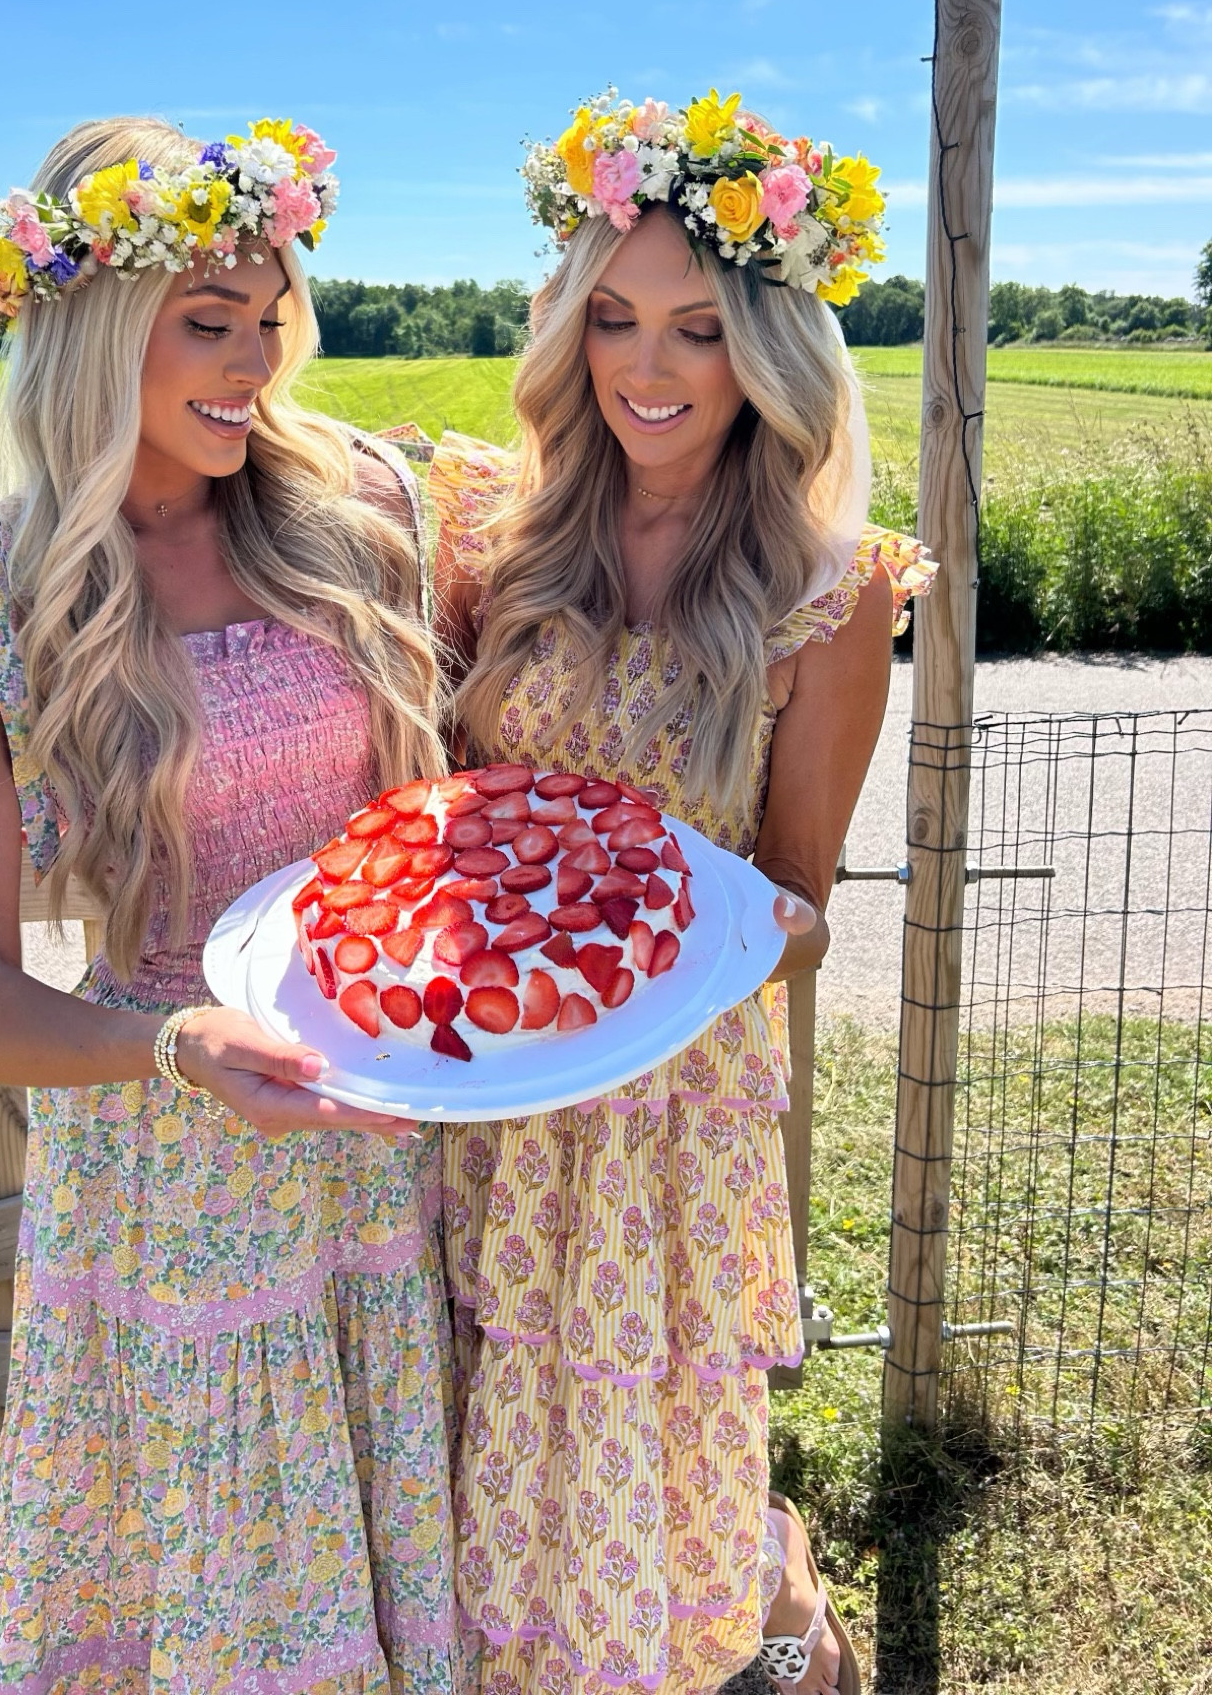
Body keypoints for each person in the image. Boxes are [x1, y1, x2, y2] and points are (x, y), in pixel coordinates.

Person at [0, 115, 462, 1695]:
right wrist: (180, 1049)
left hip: (367, 1107)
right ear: (86, 329)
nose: (254, 361)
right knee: (217, 1603)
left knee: (386, 1558)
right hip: (166, 1168)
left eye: (270, 314)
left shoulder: (359, 512)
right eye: (204, 322)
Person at [431, 89, 935, 1695]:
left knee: (661, 1448)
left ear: (770, 352)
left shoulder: (828, 595)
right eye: (616, 321)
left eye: (701, 331)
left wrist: (667, 915)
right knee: (495, 1418)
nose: (648, 370)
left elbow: (799, 903)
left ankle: (764, 1626)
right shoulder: (489, 543)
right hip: (496, 1071)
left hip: (673, 1096)